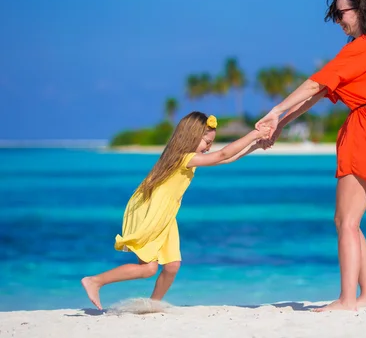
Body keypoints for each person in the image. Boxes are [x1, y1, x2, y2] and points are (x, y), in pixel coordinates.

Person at [256, 0, 366, 312]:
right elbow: (321, 94)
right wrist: (282, 122)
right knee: (352, 220)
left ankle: (347, 300)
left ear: (360, 10)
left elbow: (315, 83)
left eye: (341, 13)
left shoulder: (363, 46)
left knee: (345, 221)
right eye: (335, 14)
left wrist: (275, 111)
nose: (338, 20)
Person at [82, 111, 271, 310]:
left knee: (171, 265)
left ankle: (152, 305)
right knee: (148, 269)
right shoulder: (183, 157)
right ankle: (95, 281)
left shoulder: (189, 158)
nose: (209, 147)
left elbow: (224, 159)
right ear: (191, 137)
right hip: (151, 211)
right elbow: (222, 154)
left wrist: (255, 147)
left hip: (166, 214)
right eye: (207, 141)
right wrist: (254, 135)